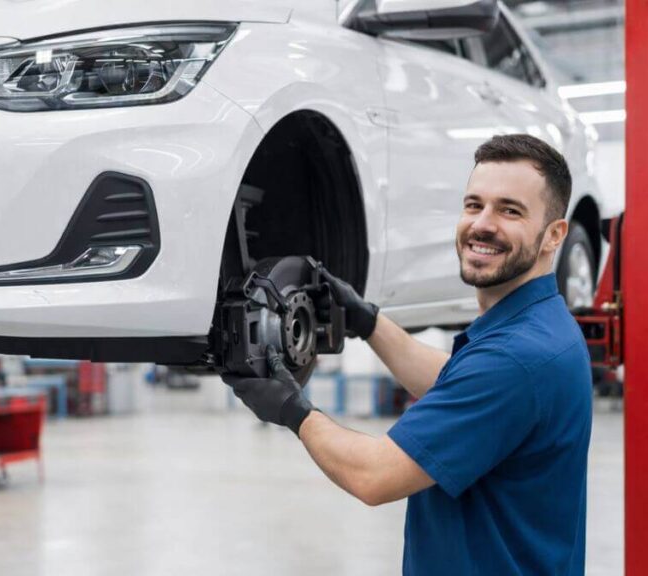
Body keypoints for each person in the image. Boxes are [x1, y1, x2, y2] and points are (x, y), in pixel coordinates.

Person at [224, 134, 593, 576]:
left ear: (554, 235)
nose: (482, 224)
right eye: (474, 205)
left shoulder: (517, 358)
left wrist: (293, 409)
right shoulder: (539, 326)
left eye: (510, 210)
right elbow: (455, 384)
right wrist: (368, 323)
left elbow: (374, 476)